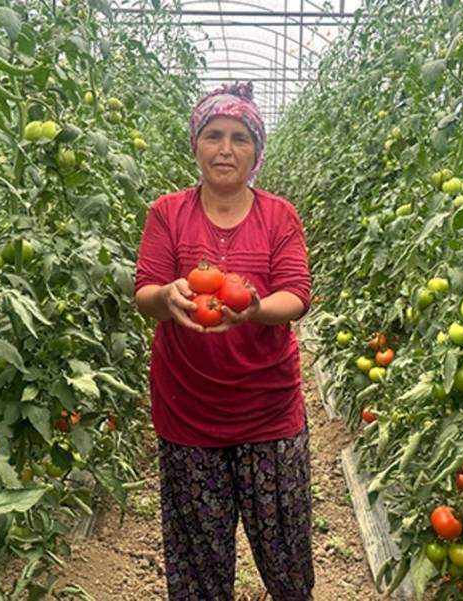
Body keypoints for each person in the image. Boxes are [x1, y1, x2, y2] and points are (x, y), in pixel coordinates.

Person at [133, 81, 314, 600]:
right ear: (196, 144)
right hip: (187, 412)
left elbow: (296, 295)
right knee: (198, 562)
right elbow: (145, 290)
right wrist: (167, 296)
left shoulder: (279, 215)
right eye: (214, 135)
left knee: (286, 556)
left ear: (256, 150)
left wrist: (256, 309)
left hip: (268, 412)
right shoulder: (167, 212)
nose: (225, 149)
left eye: (239, 137)